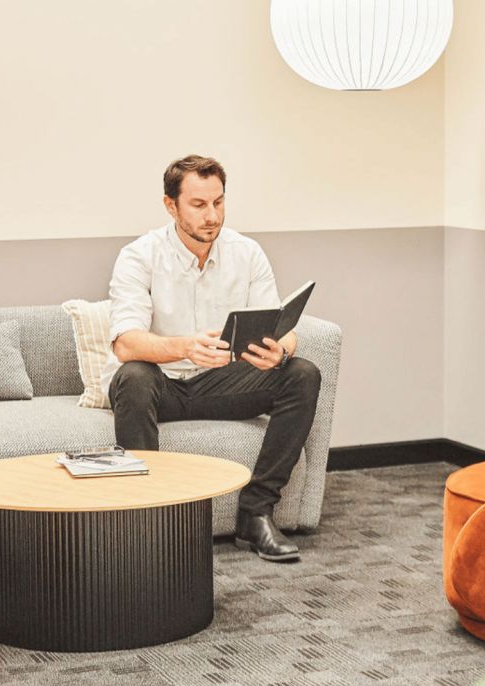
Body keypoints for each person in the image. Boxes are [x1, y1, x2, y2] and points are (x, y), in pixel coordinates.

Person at [100, 155, 322, 562]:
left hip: (219, 382)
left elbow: (279, 325)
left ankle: (256, 513)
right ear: (171, 206)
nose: (212, 216)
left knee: (303, 374)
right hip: (161, 388)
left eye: (218, 203)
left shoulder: (247, 253)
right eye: (199, 205)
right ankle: (151, 523)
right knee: (133, 376)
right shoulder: (140, 255)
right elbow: (126, 344)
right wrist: (184, 346)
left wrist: (281, 349)